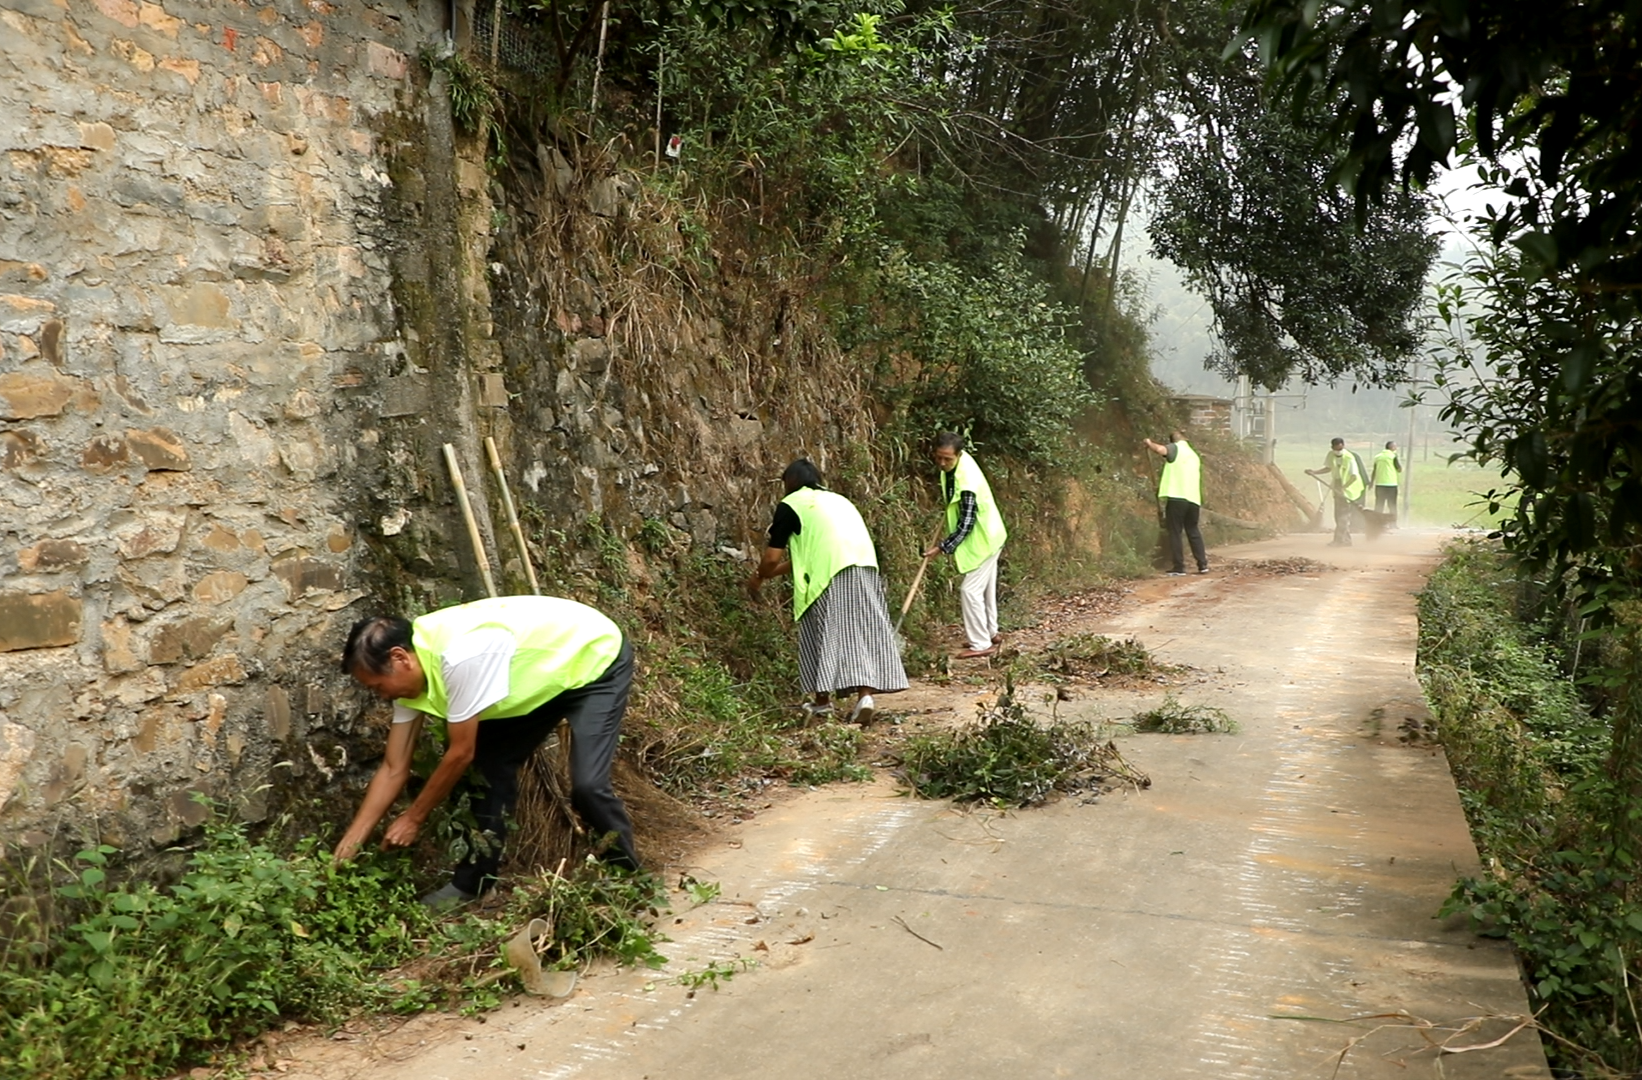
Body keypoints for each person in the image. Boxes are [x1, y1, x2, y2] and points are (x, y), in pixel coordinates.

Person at [335, 596, 640, 908]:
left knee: (587, 786)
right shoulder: (409, 675)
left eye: (378, 686)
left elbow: (460, 753)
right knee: (487, 770)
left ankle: (630, 880)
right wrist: (350, 843)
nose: (380, 695)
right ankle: (473, 885)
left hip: (592, 656)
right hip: (537, 676)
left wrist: (414, 818)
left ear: (400, 658)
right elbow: (393, 767)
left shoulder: (459, 659)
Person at [747, 458, 908, 724]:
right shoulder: (839, 500)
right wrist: (768, 575)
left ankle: (823, 702)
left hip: (829, 573)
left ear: (789, 483)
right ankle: (865, 697)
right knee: (861, 629)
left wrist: (758, 577)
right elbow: (812, 552)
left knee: (822, 630)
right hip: (865, 566)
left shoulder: (792, 505)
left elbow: (772, 558)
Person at [925, 432, 1009, 659]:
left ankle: (981, 644)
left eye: (947, 459)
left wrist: (942, 547)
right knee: (985, 588)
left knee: (969, 590)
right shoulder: (958, 463)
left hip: (985, 538)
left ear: (959, 455)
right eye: (939, 457)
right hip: (990, 533)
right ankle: (990, 632)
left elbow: (966, 524)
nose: (942, 463)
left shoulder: (967, 481)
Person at [1143, 430, 1209, 576]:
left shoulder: (1175, 447)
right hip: (1193, 499)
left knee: (1175, 531)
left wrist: (1149, 443)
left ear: (1173, 441)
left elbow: (1161, 450)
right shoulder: (1193, 455)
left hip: (1177, 497)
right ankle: (1202, 564)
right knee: (1193, 530)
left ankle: (1179, 567)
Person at [1306, 437, 1365, 546]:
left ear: (1343, 445)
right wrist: (1314, 472)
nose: (1337, 451)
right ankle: (1346, 540)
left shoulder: (1349, 458)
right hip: (1337, 485)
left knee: (1342, 516)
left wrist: (1344, 488)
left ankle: (1339, 541)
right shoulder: (1331, 455)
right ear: (1332, 447)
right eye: (1335, 449)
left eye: (1339, 448)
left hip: (1350, 488)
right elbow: (1328, 468)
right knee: (1338, 515)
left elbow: (1354, 477)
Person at [1371, 440, 1402, 519]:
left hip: (1379, 484)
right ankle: (1393, 523)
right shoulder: (1393, 456)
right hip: (1391, 484)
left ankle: (1376, 522)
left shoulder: (1377, 457)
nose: (1396, 448)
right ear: (1391, 447)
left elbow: (1374, 470)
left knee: (1379, 504)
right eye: (1395, 446)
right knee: (1392, 505)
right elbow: (1399, 469)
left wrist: (1372, 482)